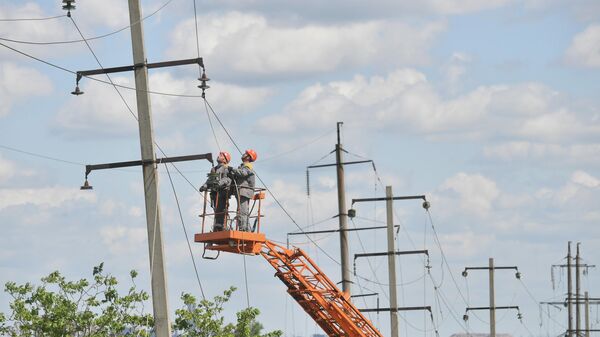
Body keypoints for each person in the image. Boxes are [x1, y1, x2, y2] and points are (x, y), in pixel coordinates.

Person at [200, 151, 232, 231]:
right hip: (215, 193)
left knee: (222, 209)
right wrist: (204, 186)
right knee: (216, 209)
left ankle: (222, 226)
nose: (218, 156)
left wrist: (219, 183)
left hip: (222, 192)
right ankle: (217, 226)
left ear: (225, 160)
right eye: (219, 155)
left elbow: (227, 179)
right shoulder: (214, 169)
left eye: (221, 155)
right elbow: (210, 180)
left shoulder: (226, 168)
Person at [231, 149, 257, 231]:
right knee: (240, 210)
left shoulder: (247, 166)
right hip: (241, 191)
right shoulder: (242, 166)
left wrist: (232, 169)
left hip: (244, 191)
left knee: (242, 210)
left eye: (246, 154)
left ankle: (244, 229)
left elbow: (242, 173)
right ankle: (243, 228)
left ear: (248, 157)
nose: (243, 154)